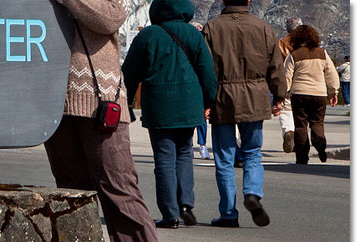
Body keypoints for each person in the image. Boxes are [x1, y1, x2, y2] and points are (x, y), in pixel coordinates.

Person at [45, 0, 177, 242]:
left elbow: (110, 17)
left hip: (100, 97)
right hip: (48, 99)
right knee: (70, 198)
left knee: (120, 192)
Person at [122, 0, 217, 228]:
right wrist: (208, 101)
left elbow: (129, 74)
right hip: (189, 103)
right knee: (184, 153)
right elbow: (207, 72)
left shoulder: (147, 36)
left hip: (159, 104)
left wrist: (126, 104)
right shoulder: (194, 34)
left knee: (164, 157)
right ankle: (186, 204)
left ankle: (170, 214)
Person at [202, 0, 286, 228]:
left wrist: (205, 100)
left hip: (223, 96)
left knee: (224, 158)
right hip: (255, 96)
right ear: (248, 1)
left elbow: (205, 67)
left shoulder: (212, 28)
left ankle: (228, 213)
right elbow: (275, 66)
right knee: (252, 152)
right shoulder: (262, 27)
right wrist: (279, 96)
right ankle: (252, 193)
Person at [284, 25, 339, 165]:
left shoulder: (294, 55)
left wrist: (283, 94)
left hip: (299, 94)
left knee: (300, 126)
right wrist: (334, 92)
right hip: (319, 94)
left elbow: (286, 77)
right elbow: (331, 74)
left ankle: (302, 157)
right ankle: (320, 142)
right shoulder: (322, 53)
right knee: (317, 122)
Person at [277, 17, 303, 153]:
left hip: (286, 80)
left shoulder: (281, 43)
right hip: (303, 81)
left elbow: (276, 63)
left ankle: (288, 131)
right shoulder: (308, 43)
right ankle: (300, 140)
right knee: (301, 113)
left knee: (286, 110)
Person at [191, 21, 211, 161]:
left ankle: (202, 145)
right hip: (190, 87)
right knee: (191, 119)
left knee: (202, 118)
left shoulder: (204, 52)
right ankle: (191, 145)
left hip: (200, 88)